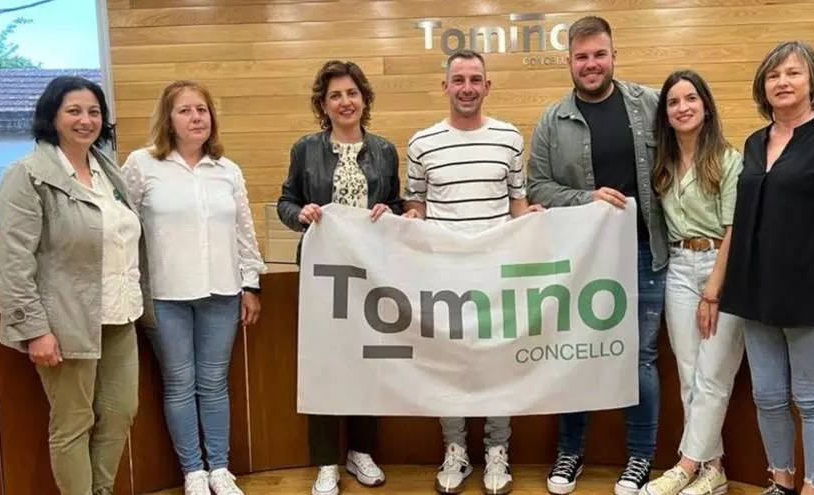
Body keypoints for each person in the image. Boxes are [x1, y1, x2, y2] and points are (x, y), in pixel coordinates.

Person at [720, 41, 814, 495]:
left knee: (812, 399)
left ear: (812, 81)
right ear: (762, 86)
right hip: (757, 293)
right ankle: (781, 482)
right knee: (767, 397)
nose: (782, 82)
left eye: (793, 73)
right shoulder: (754, 142)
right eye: (773, 75)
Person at [526, 16, 669, 495]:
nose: (591, 64)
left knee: (640, 358)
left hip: (645, 253)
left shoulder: (651, 105)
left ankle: (641, 457)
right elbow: (536, 188)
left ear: (613, 56)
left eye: (599, 55)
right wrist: (585, 199)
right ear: (569, 61)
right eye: (582, 56)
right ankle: (570, 452)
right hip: (581, 260)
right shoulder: (552, 121)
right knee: (576, 353)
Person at [402, 49, 543, 495]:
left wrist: (532, 222)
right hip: (444, 273)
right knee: (450, 364)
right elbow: (415, 204)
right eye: (459, 80)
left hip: (497, 273)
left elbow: (517, 202)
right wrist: (411, 218)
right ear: (445, 86)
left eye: (475, 80)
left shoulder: (509, 138)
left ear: (487, 86)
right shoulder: (422, 143)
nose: (467, 88)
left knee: (498, 362)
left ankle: (498, 450)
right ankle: (456, 449)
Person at [0, 75, 142, 495]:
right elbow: (14, 261)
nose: (86, 120)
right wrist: (34, 330)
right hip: (65, 322)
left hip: (120, 314)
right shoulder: (27, 174)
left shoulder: (107, 171)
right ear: (52, 117)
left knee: (120, 412)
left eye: (94, 111)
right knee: (74, 422)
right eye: (74, 111)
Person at [122, 80, 266, 495]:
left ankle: (219, 468)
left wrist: (251, 284)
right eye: (185, 110)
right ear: (168, 119)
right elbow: (124, 228)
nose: (196, 117)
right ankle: (193, 472)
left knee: (214, 383)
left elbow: (244, 232)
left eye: (202, 109)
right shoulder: (142, 164)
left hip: (221, 292)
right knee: (180, 383)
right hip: (166, 295)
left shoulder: (227, 170)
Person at [276, 59, 402, 495]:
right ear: (323, 105)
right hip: (322, 275)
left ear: (364, 99)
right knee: (325, 364)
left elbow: (396, 204)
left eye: (352, 93)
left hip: (372, 274)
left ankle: (360, 451)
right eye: (335, 96)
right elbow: (286, 202)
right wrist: (301, 214)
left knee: (369, 360)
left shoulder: (384, 150)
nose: (345, 102)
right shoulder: (305, 150)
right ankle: (326, 461)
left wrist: (390, 211)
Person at [639, 70, 745, 495]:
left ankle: (685, 465)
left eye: (690, 99)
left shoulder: (728, 159)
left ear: (705, 106)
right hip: (679, 267)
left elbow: (734, 229)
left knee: (713, 375)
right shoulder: (662, 166)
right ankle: (712, 470)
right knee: (689, 376)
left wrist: (713, 292)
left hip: (722, 268)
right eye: (673, 102)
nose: (682, 108)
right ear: (665, 114)